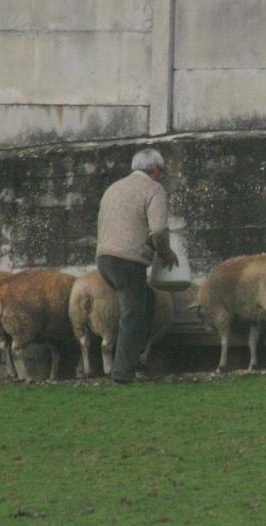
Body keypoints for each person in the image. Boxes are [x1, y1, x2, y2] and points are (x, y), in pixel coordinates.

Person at [95, 148, 178, 383]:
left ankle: (135, 356)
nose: (161, 176)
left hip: (104, 258)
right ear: (155, 170)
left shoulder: (114, 188)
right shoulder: (154, 189)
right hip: (127, 261)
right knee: (133, 316)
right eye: (161, 172)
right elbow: (159, 230)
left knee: (146, 302)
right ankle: (122, 375)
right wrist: (166, 253)